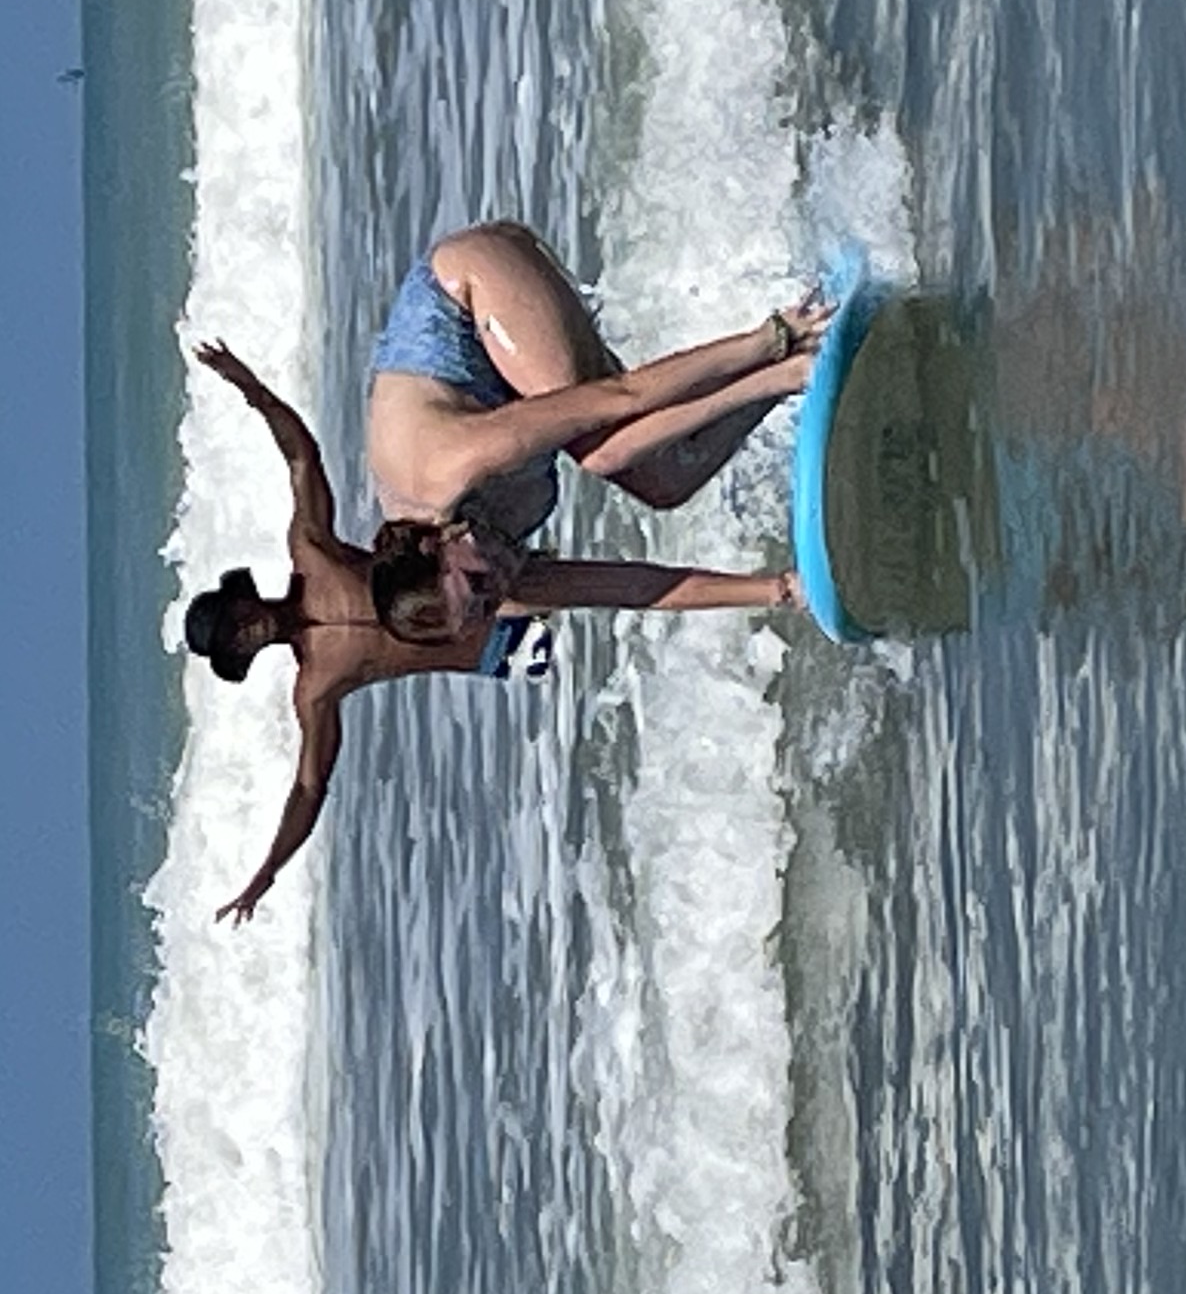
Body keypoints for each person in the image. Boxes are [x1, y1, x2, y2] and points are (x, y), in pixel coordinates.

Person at [181, 340, 800, 923]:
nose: (248, 632)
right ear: (245, 654)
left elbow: (301, 457)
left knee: (585, 481)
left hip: (481, 577)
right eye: (238, 642)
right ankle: (778, 590)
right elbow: (310, 785)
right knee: (627, 609)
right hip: (501, 644)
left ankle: (748, 389)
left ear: (242, 601)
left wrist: (252, 389)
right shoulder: (315, 687)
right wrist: (266, 874)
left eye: (236, 621)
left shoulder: (311, 554)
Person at [369, 220, 822, 542]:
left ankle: (789, 346)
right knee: (663, 482)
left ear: (446, 546)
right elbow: (624, 588)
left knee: (602, 449)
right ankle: (792, 370)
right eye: (484, 609)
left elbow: (622, 397)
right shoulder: (480, 592)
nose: (488, 598)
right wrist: (781, 591)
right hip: (493, 385)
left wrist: (764, 340)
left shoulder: (452, 466)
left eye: (478, 594)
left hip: (465, 286)